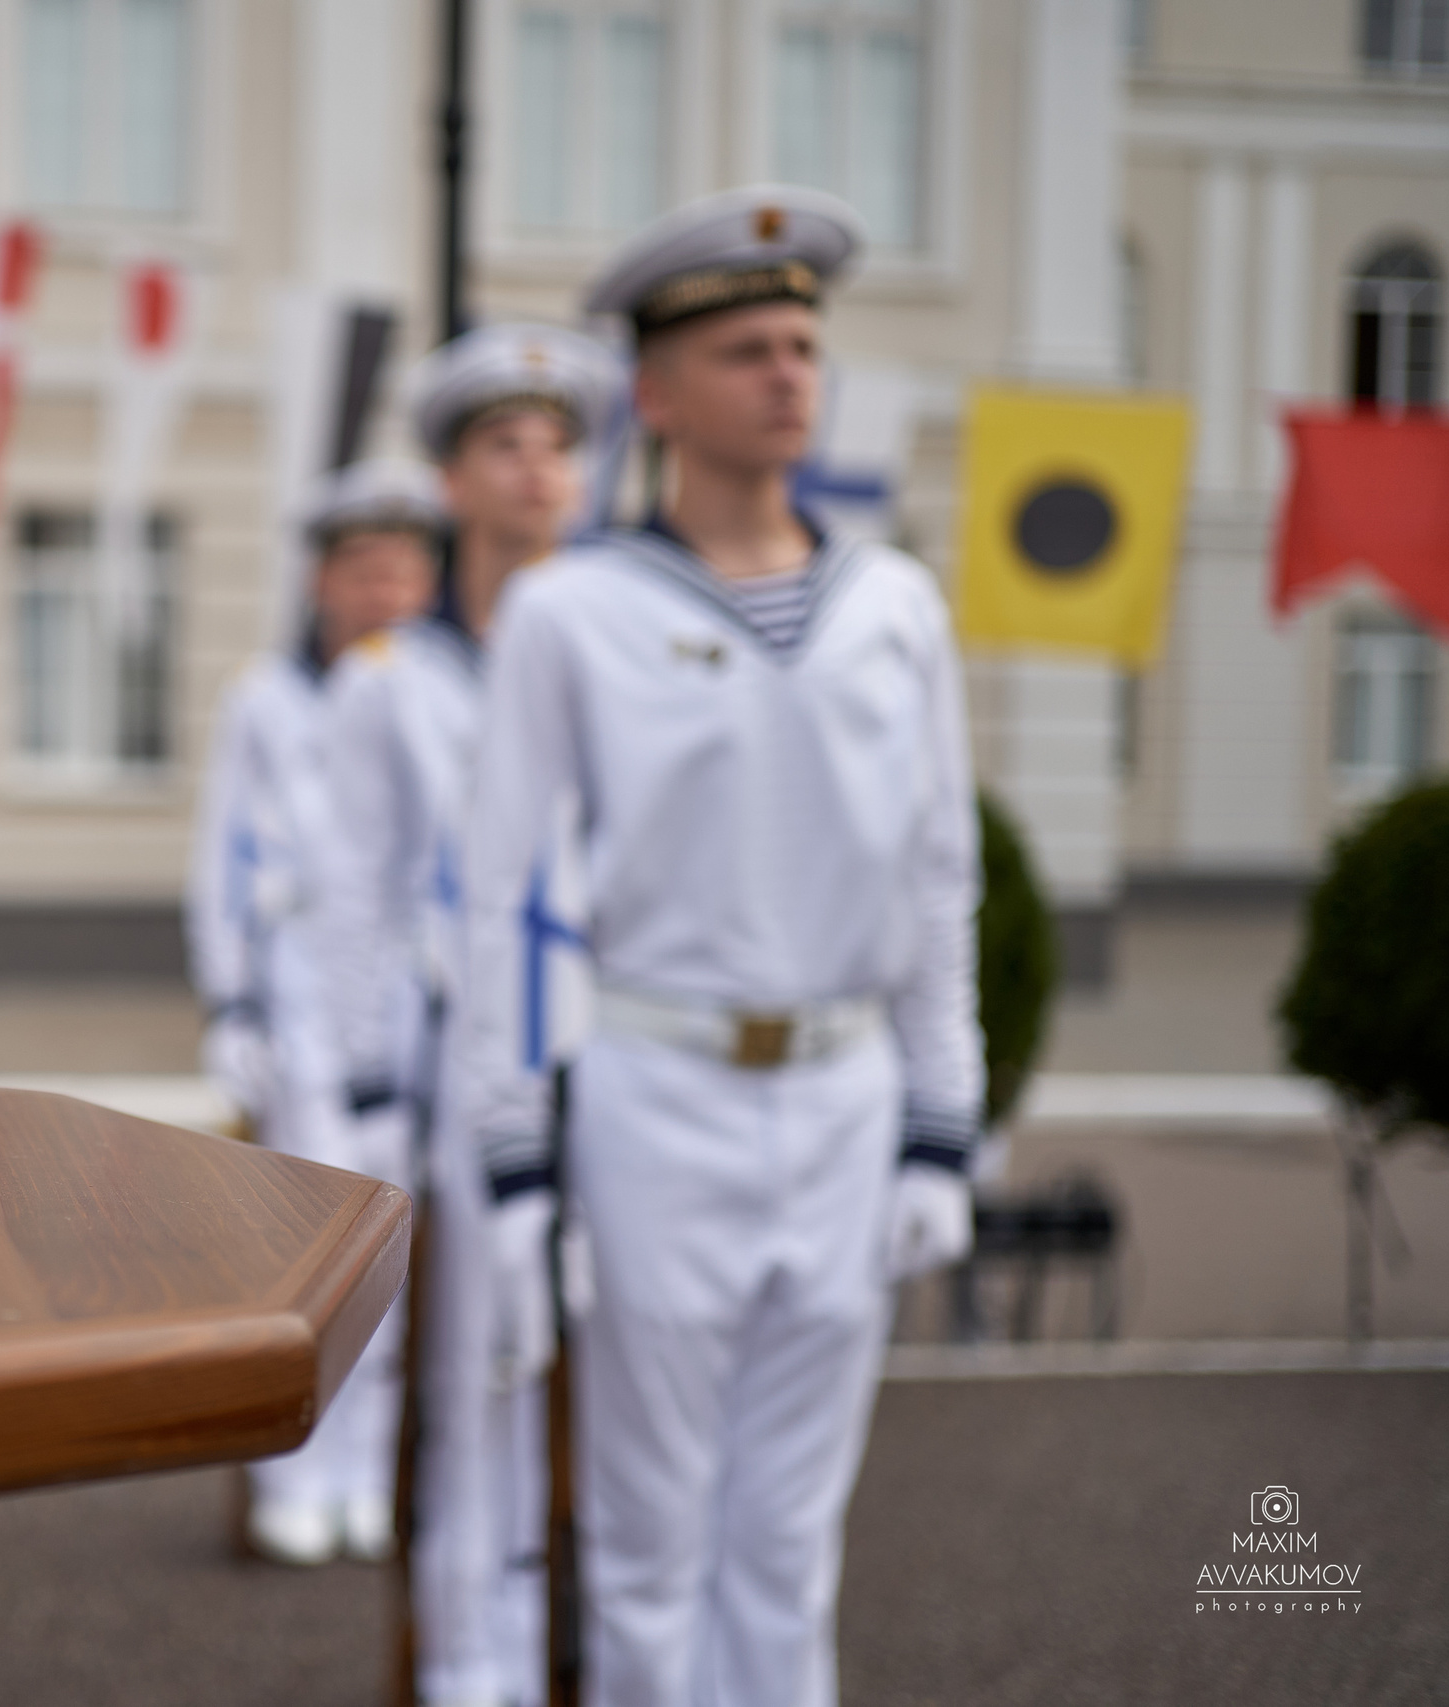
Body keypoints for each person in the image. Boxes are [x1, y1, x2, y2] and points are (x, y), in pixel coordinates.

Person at [452, 185, 982, 1707]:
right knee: (646, 1535)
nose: (789, 373)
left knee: (791, 1536)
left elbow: (941, 876)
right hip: (657, 1091)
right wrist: (509, 1153)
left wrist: (944, 1122)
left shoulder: (896, 608)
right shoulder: (575, 611)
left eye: (805, 343)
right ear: (661, 394)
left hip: (844, 1094)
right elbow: (504, 899)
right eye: (749, 347)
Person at [313, 323, 618, 1707]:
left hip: (623, 1064)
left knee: (618, 1384)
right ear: (452, 477)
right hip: (466, 1069)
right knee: (473, 1386)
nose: (540, 469)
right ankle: (467, 1663)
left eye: (558, 443)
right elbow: (361, 894)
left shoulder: (622, 653)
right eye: (507, 443)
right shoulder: (395, 682)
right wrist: (375, 1079)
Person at [187, 457, 444, 1566]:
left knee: (395, 1253)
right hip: (296, 1005)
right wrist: (230, 998)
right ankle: (294, 1478)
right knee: (301, 1256)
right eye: (363, 569)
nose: (384, 592)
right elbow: (223, 858)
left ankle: (367, 1479)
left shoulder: (438, 693)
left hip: (411, 1011)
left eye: (403, 569)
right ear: (321, 581)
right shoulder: (267, 698)